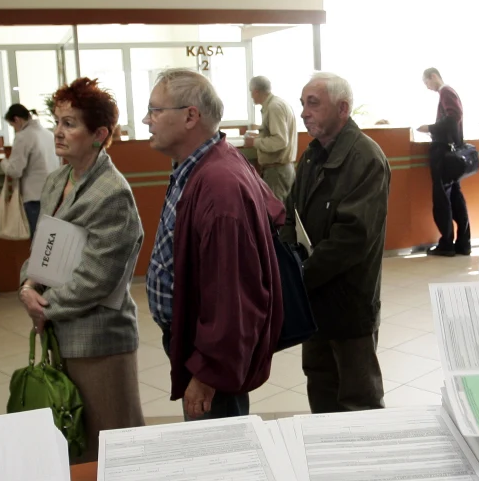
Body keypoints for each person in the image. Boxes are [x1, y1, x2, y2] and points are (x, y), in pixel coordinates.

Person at [145, 68, 285, 419]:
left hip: (209, 355)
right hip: (194, 341)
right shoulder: (201, 166)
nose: (148, 120)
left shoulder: (219, 185)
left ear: (190, 115)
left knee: (221, 454)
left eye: (155, 110)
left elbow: (231, 297)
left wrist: (207, 372)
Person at [18, 78, 144, 462]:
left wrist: (44, 306)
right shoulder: (59, 179)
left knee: (112, 450)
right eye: (57, 121)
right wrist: (27, 285)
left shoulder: (111, 193)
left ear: (99, 134)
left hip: (99, 339)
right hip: (62, 331)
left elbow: (96, 278)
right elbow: (42, 247)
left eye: (70, 123)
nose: (58, 132)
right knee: (76, 443)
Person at [283, 72, 390, 413]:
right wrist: (289, 265)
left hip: (348, 301)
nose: (303, 113)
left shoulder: (366, 159)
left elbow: (351, 239)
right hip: (314, 300)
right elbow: (290, 214)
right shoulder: (312, 155)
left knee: (358, 397)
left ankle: (365, 465)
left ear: (343, 108)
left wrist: (299, 276)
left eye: (312, 104)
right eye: (302, 104)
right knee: (321, 385)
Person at [417, 68, 470, 256]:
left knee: (442, 198)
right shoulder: (449, 92)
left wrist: (429, 128)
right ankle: (463, 242)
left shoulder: (446, 91)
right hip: (452, 152)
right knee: (455, 196)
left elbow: (453, 116)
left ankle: (447, 243)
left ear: (433, 76)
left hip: (443, 152)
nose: (428, 87)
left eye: (426, 82)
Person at [1, 103, 57, 236]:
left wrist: (4, 163)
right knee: (50, 242)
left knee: (38, 241)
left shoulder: (24, 136)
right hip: (53, 194)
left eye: (12, 125)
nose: (14, 129)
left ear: (17, 120)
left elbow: (15, 171)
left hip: (34, 197)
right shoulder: (49, 135)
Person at [245, 75, 298, 203]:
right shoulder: (277, 103)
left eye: (251, 92)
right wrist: (259, 136)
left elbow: (280, 141)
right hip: (280, 170)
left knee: (278, 215)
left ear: (256, 91)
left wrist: (254, 142)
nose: (251, 96)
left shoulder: (274, 107)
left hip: (277, 172)